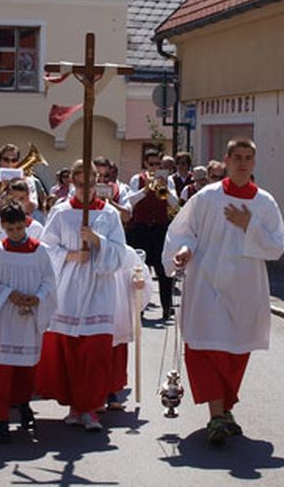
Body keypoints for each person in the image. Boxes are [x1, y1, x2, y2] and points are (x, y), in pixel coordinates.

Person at [163, 137, 284, 446]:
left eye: (248, 158)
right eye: (238, 157)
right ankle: (217, 415)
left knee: (235, 352)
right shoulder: (207, 197)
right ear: (227, 161)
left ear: (254, 163)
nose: (243, 163)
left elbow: (276, 247)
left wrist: (249, 225)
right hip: (206, 284)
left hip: (245, 289)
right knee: (205, 349)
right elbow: (185, 231)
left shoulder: (265, 203)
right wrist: (183, 251)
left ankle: (225, 410)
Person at [35, 160, 127, 432]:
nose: (86, 188)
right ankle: (76, 406)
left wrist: (98, 241)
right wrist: (71, 255)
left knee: (96, 349)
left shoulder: (109, 215)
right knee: (71, 349)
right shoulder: (61, 212)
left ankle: (90, 408)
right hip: (70, 288)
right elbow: (46, 249)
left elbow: (120, 253)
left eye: (91, 182)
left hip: (99, 288)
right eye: (80, 183)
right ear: (72, 183)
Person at [0, 200, 58, 444]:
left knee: (25, 367)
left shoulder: (40, 251)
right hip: (4, 317)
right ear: (3, 227)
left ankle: (23, 405)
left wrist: (38, 297)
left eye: (20, 228)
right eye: (10, 230)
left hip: (29, 316)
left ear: (26, 224)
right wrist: (9, 294)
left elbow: (50, 282)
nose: (16, 234)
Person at [127, 149, 179, 320]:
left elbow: (175, 203)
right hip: (140, 228)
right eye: (152, 164)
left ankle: (167, 306)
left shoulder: (168, 180)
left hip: (159, 228)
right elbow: (131, 202)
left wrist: (163, 189)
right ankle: (139, 307)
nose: (155, 168)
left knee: (163, 269)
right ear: (145, 165)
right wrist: (146, 189)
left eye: (158, 164)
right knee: (139, 269)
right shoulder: (137, 179)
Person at [107, 245, 152, 411]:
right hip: (94, 309)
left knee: (116, 353)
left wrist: (139, 282)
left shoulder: (127, 253)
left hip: (117, 310)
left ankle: (111, 392)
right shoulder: (89, 249)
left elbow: (139, 272)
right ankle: (94, 395)